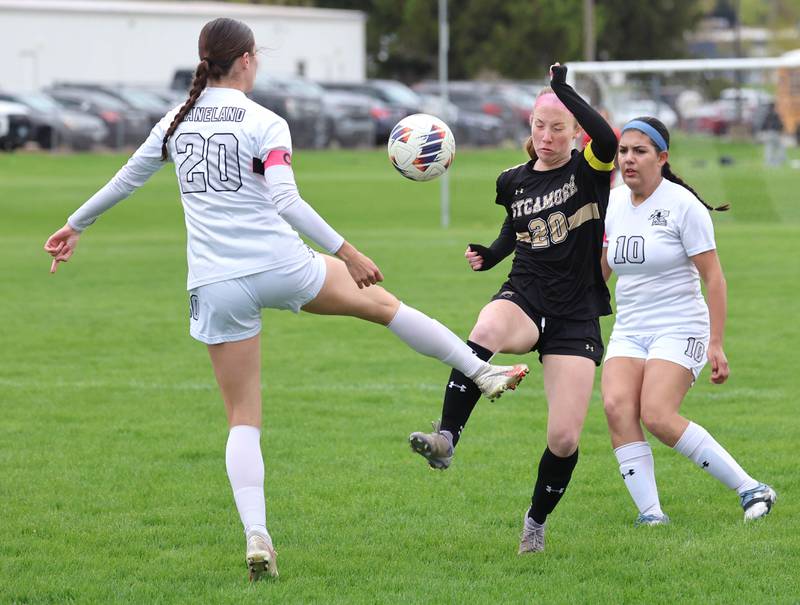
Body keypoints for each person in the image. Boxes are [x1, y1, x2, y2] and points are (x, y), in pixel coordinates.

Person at [43, 18, 529, 581]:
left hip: (216, 283)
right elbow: (286, 200)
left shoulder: (176, 121)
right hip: (282, 266)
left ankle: (258, 536)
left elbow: (127, 178)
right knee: (385, 307)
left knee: (242, 417)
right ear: (246, 59)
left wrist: (74, 225)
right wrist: (347, 251)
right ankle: (481, 372)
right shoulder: (265, 121)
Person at [408, 64, 617, 554]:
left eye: (558, 127)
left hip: (576, 314)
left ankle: (535, 523)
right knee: (486, 323)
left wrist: (565, 90)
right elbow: (515, 228)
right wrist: (490, 254)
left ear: (574, 132)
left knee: (564, 438)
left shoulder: (590, 170)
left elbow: (607, 137)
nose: (546, 137)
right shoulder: (512, 180)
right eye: (539, 126)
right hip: (526, 295)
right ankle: (446, 439)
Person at [600, 116, 777, 527]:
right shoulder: (612, 202)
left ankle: (751, 487)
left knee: (658, 414)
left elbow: (713, 277)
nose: (629, 159)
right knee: (616, 406)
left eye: (640, 151)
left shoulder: (683, 205)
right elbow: (603, 268)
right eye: (624, 151)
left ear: (661, 158)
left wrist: (716, 343)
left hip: (680, 326)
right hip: (630, 327)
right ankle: (651, 515)